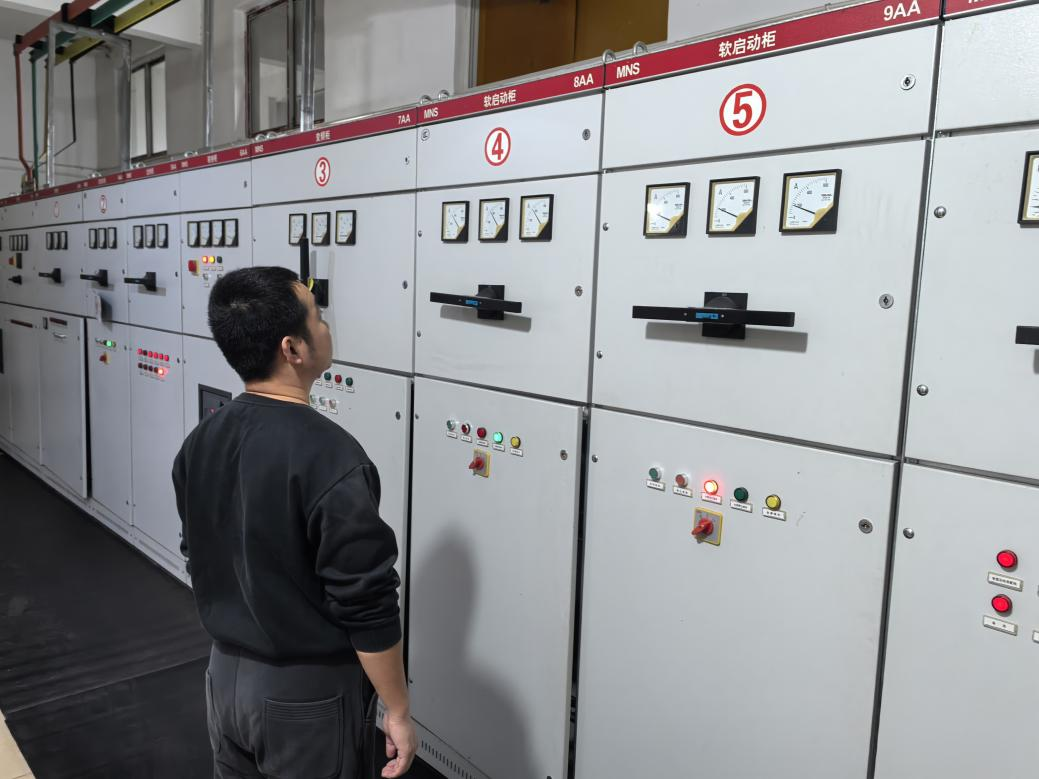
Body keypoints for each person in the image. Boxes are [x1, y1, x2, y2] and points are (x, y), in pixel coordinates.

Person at [172, 266, 415, 778]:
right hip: (304, 699)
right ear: (293, 348)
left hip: (223, 679)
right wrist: (397, 709)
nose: (326, 326)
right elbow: (367, 602)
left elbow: (198, 553)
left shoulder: (201, 441)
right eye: (318, 317)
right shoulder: (332, 456)